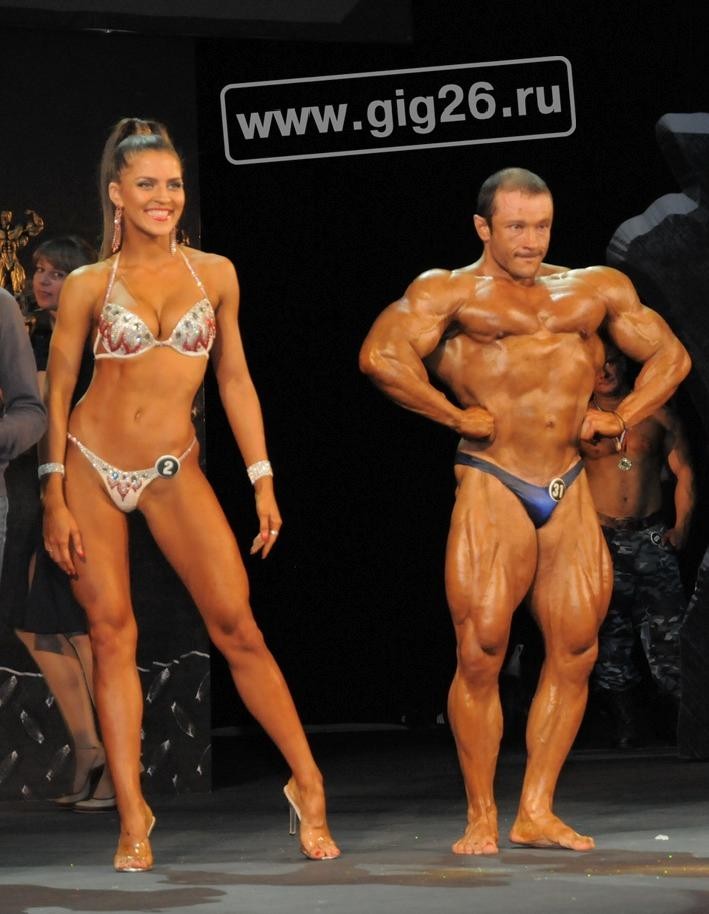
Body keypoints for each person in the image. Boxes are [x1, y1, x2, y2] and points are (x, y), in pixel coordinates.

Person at [359, 167, 691, 854]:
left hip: (568, 483)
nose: (530, 241)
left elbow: (671, 355)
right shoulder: (448, 290)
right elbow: (381, 356)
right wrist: (453, 414)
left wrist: (621, 414)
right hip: (493, 477)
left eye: (540, 226)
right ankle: (481, 814)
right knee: (482, 648)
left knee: (576, 649)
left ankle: (535, 809)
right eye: (515, 227)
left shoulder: (593, 288)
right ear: (483, 227)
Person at [41, 117, 339, 871]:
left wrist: (261, 477)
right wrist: (53, 494)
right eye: (146, 184)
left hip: (173, 466)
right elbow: (59, 391)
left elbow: (233, 378)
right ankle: (132, 814)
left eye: (173, 184)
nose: (163, 197)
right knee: (112, 634)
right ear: (117, 193)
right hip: (90, 464)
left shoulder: (216, 274)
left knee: (238, 626)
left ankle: (307, 783)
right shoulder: (87, 284)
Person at [1, 236, 117, 811]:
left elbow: (50, 404)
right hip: (30, 485)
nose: (44, 281)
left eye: (58, 272)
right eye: (40, 270)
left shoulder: (90, 339)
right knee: (35, 624)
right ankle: (88, 747)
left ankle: (117, 762)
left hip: (76, 487)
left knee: (78, 626)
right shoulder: (35, 335)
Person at [581, 342, 694, 747]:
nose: (605, 371)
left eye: (611, 362)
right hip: (601, 540)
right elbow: (555, 478)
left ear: (623, 364)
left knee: (670, 636)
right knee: (608, 636)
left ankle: (684, 723)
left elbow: (686, 473)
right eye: (597, 365)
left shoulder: (657, 412)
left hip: (650, 537)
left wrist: (681, 528)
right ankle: (626, 723)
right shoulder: (576, 418)